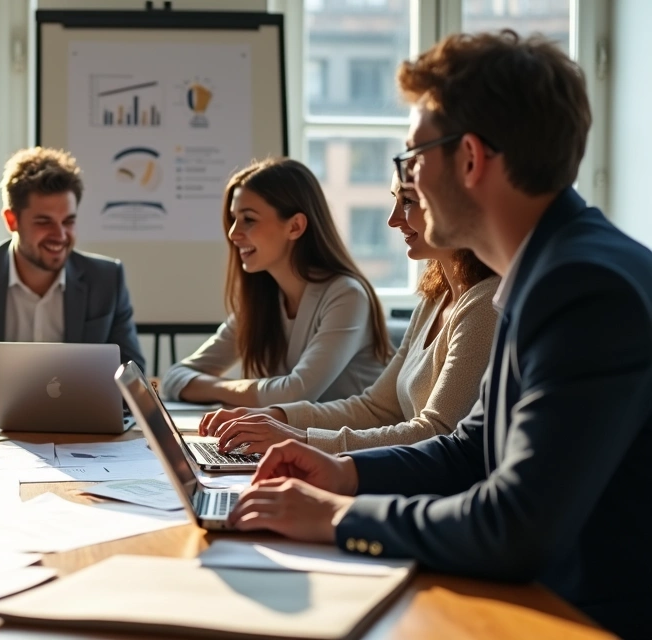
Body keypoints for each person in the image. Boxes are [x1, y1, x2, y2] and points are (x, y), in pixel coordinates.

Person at [222, 31, 652, 638]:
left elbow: (514, 526)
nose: (409, 185)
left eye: (413, 159)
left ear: (471, 159)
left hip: (580, 619)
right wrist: (342, 473)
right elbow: (472, 447)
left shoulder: (582, 285)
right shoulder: (544, 266)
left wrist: (341, 518)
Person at [201, 173, 498, 454]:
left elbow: (437, 434)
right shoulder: (436, 299)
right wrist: (274, 416)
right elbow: (377, 409)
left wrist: (299, 439)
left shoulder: (487, 304)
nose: (393, 220)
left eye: (407, 201)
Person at [0, 147, 147, 407]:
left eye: (69, 221)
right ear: (11, 220)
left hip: (82, 425)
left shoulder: (107, 278)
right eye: (44, 222)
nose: (60, 235)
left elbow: (133, 371)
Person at [160, 158, 392, 407]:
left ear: (295, 226)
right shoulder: (263, 299)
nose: (233, 233)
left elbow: (295, 395)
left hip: (351, 444)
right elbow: (174, 379)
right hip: (296, 442)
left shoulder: (346, 296)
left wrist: (222, 388)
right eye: (234, 218)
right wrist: (241, 389)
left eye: (248, 219)